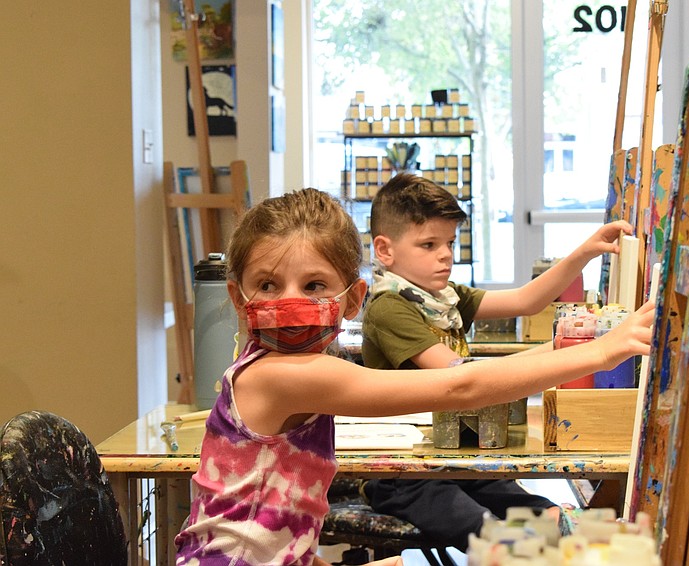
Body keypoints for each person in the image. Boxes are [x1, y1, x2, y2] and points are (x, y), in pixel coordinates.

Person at [174, 188, 654, 566]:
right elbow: (459, 386)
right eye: (268, 286)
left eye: (314, 285)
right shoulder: (283, 375)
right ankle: (616, 544)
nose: (290, 300)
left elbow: (268, 522)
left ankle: (603, 540)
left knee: (510, 526)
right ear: (241, 300)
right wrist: (602, 350)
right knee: (504, 541)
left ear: (350, 298)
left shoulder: (281, 369)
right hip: (398, 486)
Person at [360, 173, 637, 550]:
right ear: (384, 250)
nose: (445, 254)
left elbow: (527, 301)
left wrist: (584, 252)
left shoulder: (445, 297)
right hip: (408, 473)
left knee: (551, 519)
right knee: (499, 540)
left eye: (449, 243)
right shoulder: (389, 306)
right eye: (428, 244)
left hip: (458, 456)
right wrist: (575, 351)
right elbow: (461, 378)